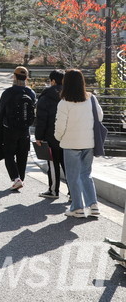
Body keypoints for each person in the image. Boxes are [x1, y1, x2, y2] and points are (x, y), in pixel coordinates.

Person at [55, 69, 103, 218]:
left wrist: (58, 137)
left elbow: (60, 126)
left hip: (70, 144)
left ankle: (77, 207)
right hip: (89, 142)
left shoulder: (64, 103)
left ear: (66, 83)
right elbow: (100, 117)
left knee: (73, 176)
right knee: (86, 174)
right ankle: (93, 205)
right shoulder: (91, 98)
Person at [0, 66, 36, 191]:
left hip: (9, 128)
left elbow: (0, 110)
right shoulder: (30, 93)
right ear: (26, 78)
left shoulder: (8, 92)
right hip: (25, 129)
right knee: (22, 155)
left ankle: (16, 178)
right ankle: (21, 179)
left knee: (9, 154)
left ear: (14, 77)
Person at [35, 69, 67, 199]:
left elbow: (41, 119)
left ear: (53, 81)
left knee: (53, 164)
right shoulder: (69, 94)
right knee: (67, 164)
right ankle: (72, 192)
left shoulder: (46, 96)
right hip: (67, 136)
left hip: (51, 135)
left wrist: (39, 137)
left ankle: (54, 190)